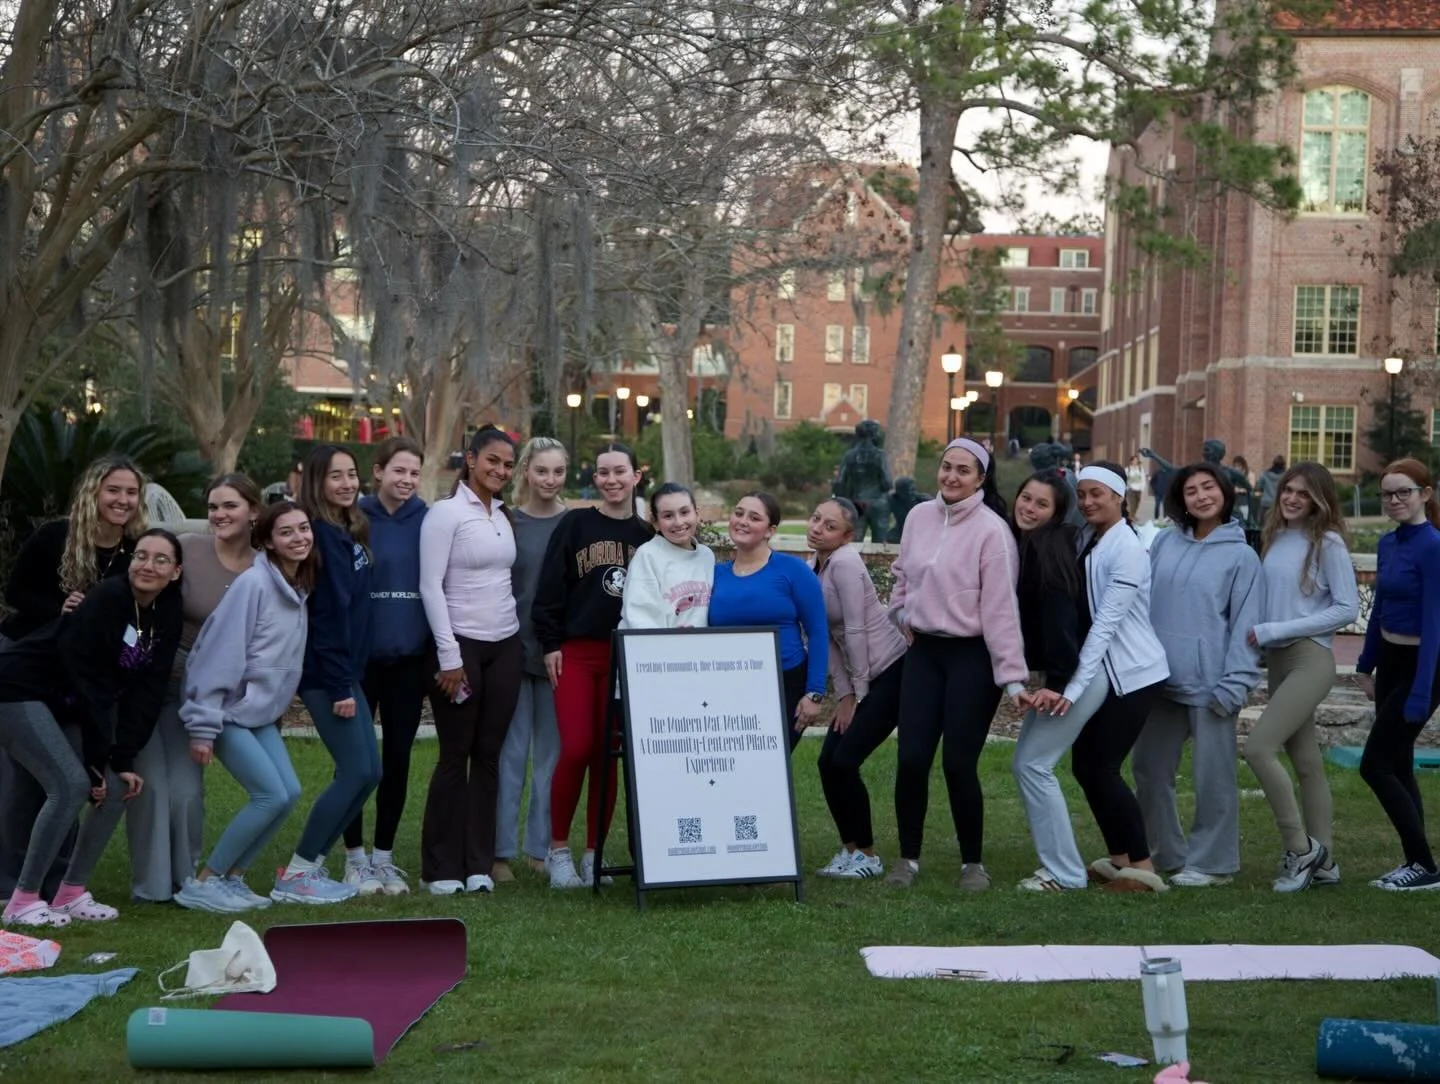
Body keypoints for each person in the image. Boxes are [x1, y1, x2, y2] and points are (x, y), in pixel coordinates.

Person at [0, 528, 183, 927]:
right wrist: (97, 760)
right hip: (18, 690)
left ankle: (70, 893)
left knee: (118, 788)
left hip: (66, 705)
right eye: (141, 556)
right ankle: (23, 899)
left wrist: (123, 759)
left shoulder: (165, 613)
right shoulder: (110, 598)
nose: (147, 565)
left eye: (161, 559)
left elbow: (147, 691)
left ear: (176, 571)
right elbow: (91, 681)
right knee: (70, 785)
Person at [1015, 465, 1171, 893]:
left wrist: (1071, 689)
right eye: (1081, 494)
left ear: (1120, 497)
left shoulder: (1128, 549)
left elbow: (1103, 627)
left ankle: (1142, 867)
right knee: (1088, 766)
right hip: (1105, 669)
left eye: (1097, 494)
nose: (1087, 502)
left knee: (1100, 767)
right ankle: (1119, 857)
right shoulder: (1089, 538)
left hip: (1134, 674)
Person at [0, 455, 147, 904]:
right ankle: (10, 887)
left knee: (63, 778)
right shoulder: (56, 536)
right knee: (24, 781)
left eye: (130, 492)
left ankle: (53, 883)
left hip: (78, 678)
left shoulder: (135, 550)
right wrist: (62, 610)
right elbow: (15, 593)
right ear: (93, 493)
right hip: (28, 665)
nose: (122, 500)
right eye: (113, 490)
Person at [883, 437, 1027, 892]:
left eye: (964, 470)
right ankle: (907, 859)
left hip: (972, 657)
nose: (951, 477)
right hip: (924, 653)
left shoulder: (992, 532)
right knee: (911, 759)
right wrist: (901, 611)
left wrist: (1012, 678)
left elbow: (1002, 609)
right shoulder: (919, 517)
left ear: (981, 479)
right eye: (947, 467)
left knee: (958, 764)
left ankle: (972, 864)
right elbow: (903, 573)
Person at [174, 502, 316, 913]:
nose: (298, 538)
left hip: (259, 713)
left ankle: (233, 879)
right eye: (286, 532)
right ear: (268, 541)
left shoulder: (297, 587)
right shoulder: (253, 585)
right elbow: (216, 654)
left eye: (304, 528)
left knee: (289, 793)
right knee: (269, 795)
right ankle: (204, 882)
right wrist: (203, 726)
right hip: (227, 711)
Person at [128, 473, 260, 903]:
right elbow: (141, 585)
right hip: (152, 681)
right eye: (213, 507)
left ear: (253, 512)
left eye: (230, 506)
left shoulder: (264, 569)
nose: (219, 515)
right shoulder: (188, 548)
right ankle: (150, 887)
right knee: (152, 786)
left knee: (186, 792)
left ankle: (188, 882)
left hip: (205, 694)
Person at [1133, 461, 1262, 887]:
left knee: (1214, 778)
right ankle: (1164, 852)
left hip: (1212, 685)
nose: (1202, 496)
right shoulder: (1165, 544)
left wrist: (1235, 684)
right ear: (1180, 499)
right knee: (1149, 768)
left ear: (1225, 492)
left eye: (1209, 487)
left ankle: (1213, 864)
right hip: (1158, 680)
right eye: (1192, 491)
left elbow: (1247, 625)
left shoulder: (1241, 556)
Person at [533, 442, 652, 889]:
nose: (611, 480)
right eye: (603, 472)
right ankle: (558, 850)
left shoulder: (648, 534)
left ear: (636, 475)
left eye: (620, 471)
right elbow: (550, 588)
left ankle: (593, 854)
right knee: (578, 747)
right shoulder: (576, 523)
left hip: (626, 657)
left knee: (608, 756)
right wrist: (550, 643)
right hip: (577, 653)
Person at [271, 445, 379, 904]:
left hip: (347, 670)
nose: (347, 483)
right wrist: (339, 686)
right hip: (326, 675)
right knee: (355, 771)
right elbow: (328, 617)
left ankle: (308, 869)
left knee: (369, 772)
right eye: (336, 476)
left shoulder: (345, 530)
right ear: (317, 482)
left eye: (352, 474)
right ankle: (297, 873)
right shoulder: (320, 535)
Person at [418, 426, 523, 896]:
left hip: (506, 645)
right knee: (454, 756)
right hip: (461, 646)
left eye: (507, 464)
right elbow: (429, 586)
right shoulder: (445, 513)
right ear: (471, 458)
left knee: (488, 757)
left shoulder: (503, 516)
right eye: (493, 461)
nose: (500, 471)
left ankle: (478, 863)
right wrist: (448, 655)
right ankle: (441, 868)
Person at [1246, 463, 1357, 891]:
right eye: (1288, 490)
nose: (1292, 498)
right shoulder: (1276, 537)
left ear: (1320, 500)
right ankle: (1325, 863)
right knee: (1307, 763)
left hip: (1311, 658)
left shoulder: (1326, 542)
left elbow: (1347, 609)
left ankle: (1301, 848)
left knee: (1259, 748)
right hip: (1277, 660)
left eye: (1303, 494)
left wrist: (1276, 630)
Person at [341, 437, 429, 896]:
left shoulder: (429, 520)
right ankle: (354, 859)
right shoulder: (354, 517)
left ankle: (384, 858)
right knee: (355, 763)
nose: (407, 480)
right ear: (378, 472)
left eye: (415, 473)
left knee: (397, 759)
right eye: (399, 471)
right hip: (359, 663)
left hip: (408, 661)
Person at [807, 498, 905, 880]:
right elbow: (824, 636)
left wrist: (859, 694)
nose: (817, 528)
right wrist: (844, 694)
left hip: (892, 672)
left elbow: (858, 629)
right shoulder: (814, 564)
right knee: (827, 762)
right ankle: (850, 851)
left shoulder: (846, 562)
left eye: (829, 526)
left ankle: (867, 854)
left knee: (845, 760)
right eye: (816, 519)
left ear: (847, 536)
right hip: (863, 678)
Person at [1354, 458, 1440, 891]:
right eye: (1388, 493)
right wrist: (1364, 665)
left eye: (1403, 491)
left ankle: (1424, 864)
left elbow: (1434, 624)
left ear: (1425, 493)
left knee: (1375, 765)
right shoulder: (1389, 545)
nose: (1394, 500)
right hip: (1389, 661)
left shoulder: (1433, 546)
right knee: (1400, 765)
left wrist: (1422, 694)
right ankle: (1417, 864)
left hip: (1424, 666)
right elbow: (1378, 611)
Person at [495, 437, 568, 881]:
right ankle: (499, 850)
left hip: (558, 658)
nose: (550, 480)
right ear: (526, 471)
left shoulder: (574, 525)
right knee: (509, 755)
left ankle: (540, 849)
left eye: (558, 472)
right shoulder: (507, 523)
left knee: (551, 759)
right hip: (510, 650)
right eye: (542, 470)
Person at [709, 491, 828, 749]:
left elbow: (818, 632)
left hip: (785, 683)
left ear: (769, 530)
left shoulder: (792, 571)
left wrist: (814, 694)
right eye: (738, 513)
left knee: (769, 767)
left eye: (754, 517)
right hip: (729, 686)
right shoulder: (714, 574)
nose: (742, 521)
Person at [621, 483, 714, 630]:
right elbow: (640, 618)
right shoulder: (647, 556)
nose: (678, 522)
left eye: (684, 512)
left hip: (700, 650)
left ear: (696, 514)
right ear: (655, 522)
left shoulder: (706, 556)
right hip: (659, 649)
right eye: (668, 516)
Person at [1258, 455, 1286, 524]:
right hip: (1279, 504)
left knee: (1263, 526)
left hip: (1265, 504)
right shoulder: (1286, 476)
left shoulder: (1265, 474)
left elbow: (1259, 487)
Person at [1127, 454, 1147, 520]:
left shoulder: (1140, 469)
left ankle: (1133, 515)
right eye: (1134, 460)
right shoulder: (1128, 469)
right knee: (1132, 504)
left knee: (1137, 503)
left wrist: (1142, 488)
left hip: (1139, 489)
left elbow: (1143, 479)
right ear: (1131, 461)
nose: (1136, 461)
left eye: (1137, 460)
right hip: (1131, 489)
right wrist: (1127, 487)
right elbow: (1125, 479)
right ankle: (1131, 517)